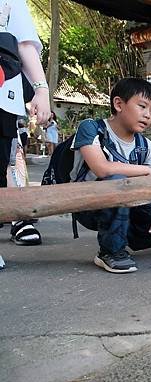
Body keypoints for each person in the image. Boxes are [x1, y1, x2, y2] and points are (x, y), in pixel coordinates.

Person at [71, 78, 151, 273]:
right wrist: (145, 170)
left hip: (130, 206)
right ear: (118, 104)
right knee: (117, 183)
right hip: (90, 205)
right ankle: (110, 251)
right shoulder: (92, 128)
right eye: (142, 106)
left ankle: (120, 237)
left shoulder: (144, 145)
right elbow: (102, 168)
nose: (148, 115)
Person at [0, 0, 50, 244]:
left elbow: (23, 41)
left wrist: (41, 89)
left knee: (9, 159)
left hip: (3, 93)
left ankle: (20, 216)